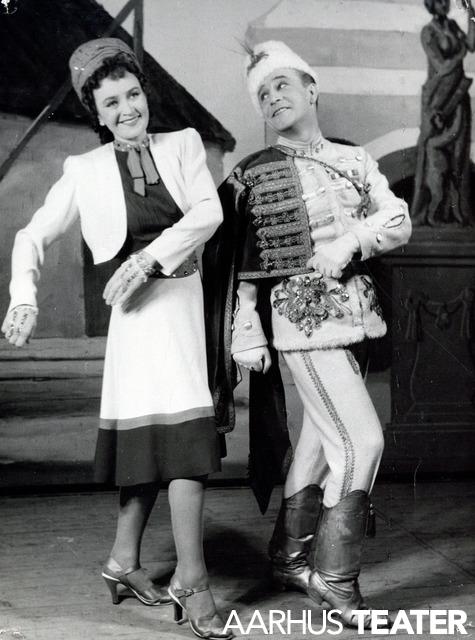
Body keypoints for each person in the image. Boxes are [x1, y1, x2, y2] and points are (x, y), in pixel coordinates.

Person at [2, 38, 232, 640]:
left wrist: (150, 258)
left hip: (184, 309)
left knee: (172, 441)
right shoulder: (84, 170)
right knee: (165, 443)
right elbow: (31, 235)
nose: (128, 108)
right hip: (135, 322)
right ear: (97, 113)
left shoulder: (184, 145)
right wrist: (23, 296)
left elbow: (208, 214)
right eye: (112, 102)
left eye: (133, 94)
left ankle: (133, 564)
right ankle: (183, 578)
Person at [203, 41, 412, 628]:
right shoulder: (254, 171)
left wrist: (351, 242)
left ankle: (290, 558)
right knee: (362, 443)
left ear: (311, 89)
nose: (272, 98)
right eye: (263, 94)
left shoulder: (354, 158)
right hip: (304, 321)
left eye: (282, 86)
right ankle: (335, 580)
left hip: (358, 316)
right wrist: (246, 327)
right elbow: (240, 262)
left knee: (321, 444)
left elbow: (397, 219)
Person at [412, 0, 475, 225]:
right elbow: (440, 66)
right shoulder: (428, 32)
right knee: (433, 152)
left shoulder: (453, 26)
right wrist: (460, 56)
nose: (445, 5)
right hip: (437, 97)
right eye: (440, 2)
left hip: (458, 94)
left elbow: (472, 45)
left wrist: (471, 15)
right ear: (432, 5)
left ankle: (457, 211)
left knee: (459, 153)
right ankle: (430, 211)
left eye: (447, 1)